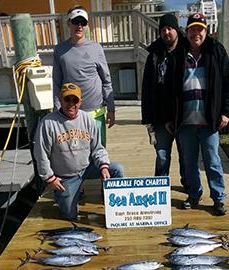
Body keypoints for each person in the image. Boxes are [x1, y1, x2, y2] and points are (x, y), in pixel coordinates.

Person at [33, 82, 124, 220]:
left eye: (75, 100)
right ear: (60, 100)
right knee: (70, 215)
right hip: (66, 176)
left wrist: (104, 166)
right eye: (67, 99)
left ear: (80, 102)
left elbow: (98, 148)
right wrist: (50, 178)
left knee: (117, 169)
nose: (71, 104)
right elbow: (41, 155)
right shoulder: (48, 123)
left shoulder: (88, 120)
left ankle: (113, 204)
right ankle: (61, 195)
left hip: (87, 168)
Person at [177, 13, 229, 215]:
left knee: (212, 161)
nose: (196, 33)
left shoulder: (216, 50)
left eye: (200, 29)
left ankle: (218, 198)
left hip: (209, 121)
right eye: (192, 29)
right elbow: (169, 88)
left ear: (206, 31)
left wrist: (226, 112)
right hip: (185, 122)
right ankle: (194, 194)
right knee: (189, 163)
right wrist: (170, 117)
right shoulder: (179, 53)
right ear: (187, 32)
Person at [52, 5, 115, 148]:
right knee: (75, 153)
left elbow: (106, 80)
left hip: (96, 111)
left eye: (83, 22)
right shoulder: (59, 50)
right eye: (76, 21)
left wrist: (111, 108)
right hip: (71, 112)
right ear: (68, 23)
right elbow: (56, 82)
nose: (79, 26)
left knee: (99, 152)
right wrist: (57, 110)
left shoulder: (96, 48)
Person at [141, 13, 187, 186]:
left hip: (183, 116)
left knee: (185, 155)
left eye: (170, 28)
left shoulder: (186, 51)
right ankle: (159, 188)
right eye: (163, 29)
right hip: (160, 117)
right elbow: (146, 89)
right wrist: (148, 119)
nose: (167, 32)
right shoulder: (153, 54)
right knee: (161, 155)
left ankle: (188, 184)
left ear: (176, 29)